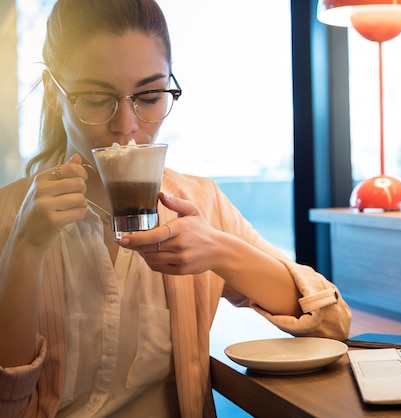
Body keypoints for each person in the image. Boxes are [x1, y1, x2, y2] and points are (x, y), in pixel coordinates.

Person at [0, 0, 352, 416]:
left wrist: (221, 251)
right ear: (54, 95)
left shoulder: (198, 204)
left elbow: (332, 321)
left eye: (149, 96)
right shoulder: (10, 214)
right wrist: (24, 248)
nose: (128, 125)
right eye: (97, 98)